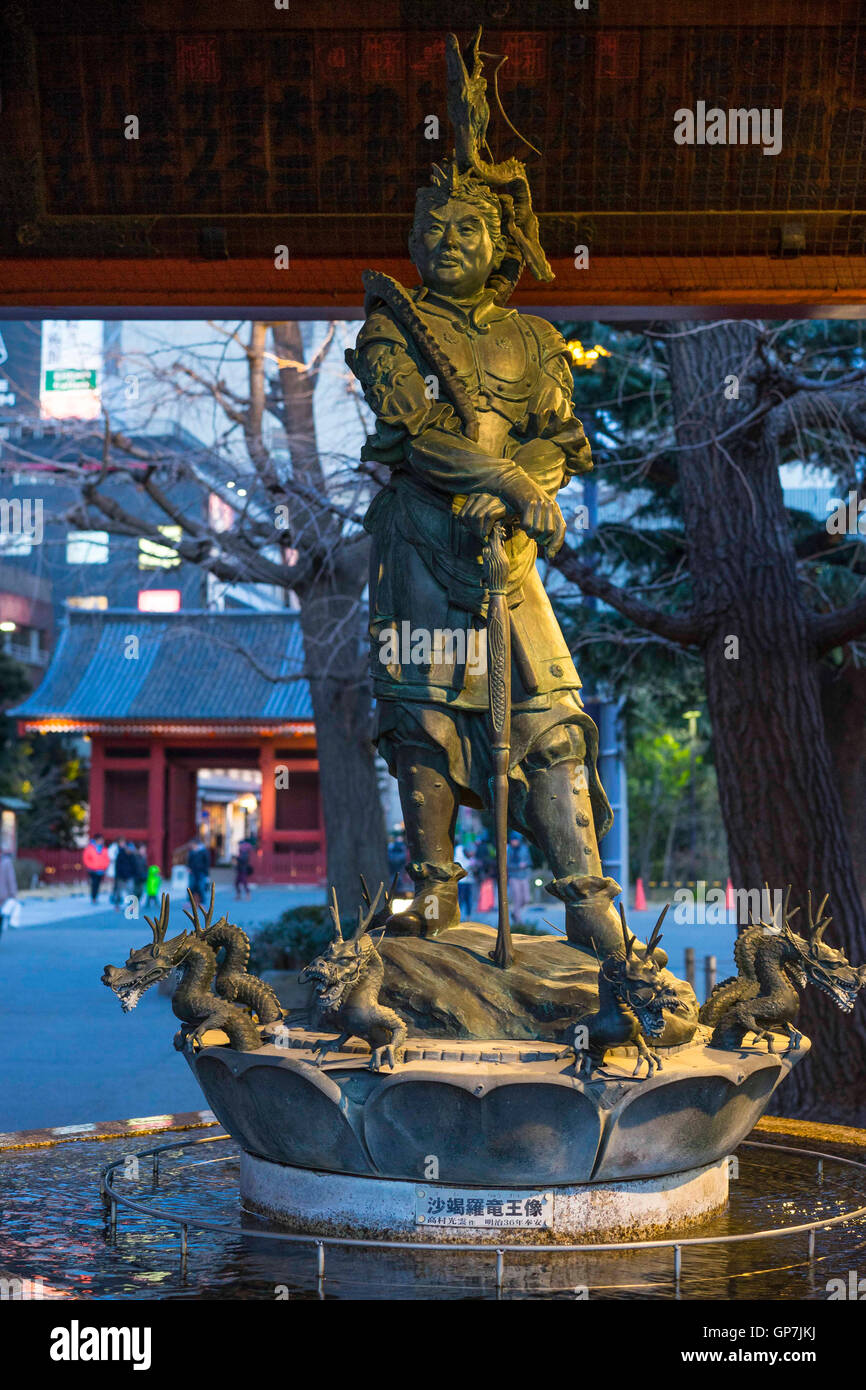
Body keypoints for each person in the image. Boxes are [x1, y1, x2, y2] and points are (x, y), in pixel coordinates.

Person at [347, 150, 619, 949]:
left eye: (469, 226)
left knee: (556, 723)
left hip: (509, 554)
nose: (449, 239)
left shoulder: (534, 338)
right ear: (412, 242)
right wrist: (509, 481)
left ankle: (591, 910)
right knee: (419, 719)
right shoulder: (390, 326)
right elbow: (414, 437)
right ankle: (431, 908)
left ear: (501, 246)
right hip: (418, 542)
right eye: (433, 226)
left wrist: (523, 490)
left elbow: (561, 441)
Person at [507, 833, 532, 926]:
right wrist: (518, 866)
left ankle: (514, 912)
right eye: (512, 840)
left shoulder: (524, 848)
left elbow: (529, 861)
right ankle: (518, 918)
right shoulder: (509, 849)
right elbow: (507, 865)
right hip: (514, 876)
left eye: (515, 840)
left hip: (524, 875)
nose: (513, 842)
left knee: (526, 898)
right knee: (517, 897)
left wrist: (525, 864)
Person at [83, 834, 110, 904]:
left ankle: (95, 897)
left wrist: (104, 867)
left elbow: (107, 859)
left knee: (98, 884)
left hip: (101, 870)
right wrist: (92, 866)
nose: (101, 841)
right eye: (100, 840)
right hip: (93, 870)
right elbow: (86, 859)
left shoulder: (104, 849)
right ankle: (93, 897)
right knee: (94, 884)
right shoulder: (90, 848)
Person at [113, 838, 137, 910]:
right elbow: (117, 867)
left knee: (130, 890)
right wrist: (118, 876)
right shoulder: (120, 854)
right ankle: (117, 905)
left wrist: (134, 875)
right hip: (121, 877)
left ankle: (131, 906)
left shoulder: (132, 856)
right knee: (118, 892)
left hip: (129, 876)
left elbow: (134, 866)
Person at [187, 836, 210, 908]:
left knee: (201, 887)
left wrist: (206, 874)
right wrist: (188, 868)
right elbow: (189, 861)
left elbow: (207, 863)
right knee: (191, 887)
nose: (191, 846)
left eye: (192, 844)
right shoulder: (191, 852)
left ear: (196, 844)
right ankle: (190, 902)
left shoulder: (204, 852)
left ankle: (203, 902)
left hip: (201, 872)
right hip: (192, 872)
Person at [0, 849, 18, 934]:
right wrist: (13, 893)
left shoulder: (6, 863)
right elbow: (11, 879)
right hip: (3, 895)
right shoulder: (6, 863)